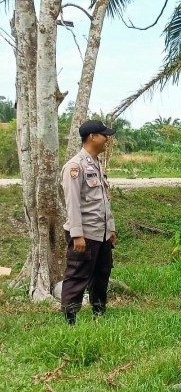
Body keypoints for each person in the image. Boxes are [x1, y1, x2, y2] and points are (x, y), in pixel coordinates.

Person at [59, 120, 118, 325]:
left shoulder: (96, 165)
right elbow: (72, 203)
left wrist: (110, 229)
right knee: (77, 275)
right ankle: (70, 319)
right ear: (92, 137)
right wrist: (77, 234)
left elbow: (103, 201)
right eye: (104, 135)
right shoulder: (75, 166)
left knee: (102, 274)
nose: (107, 140)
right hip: (84, 234)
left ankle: (99, 313)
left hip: (100, 233)